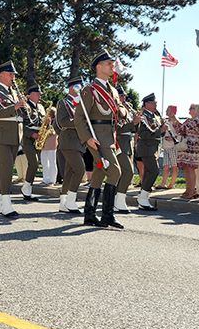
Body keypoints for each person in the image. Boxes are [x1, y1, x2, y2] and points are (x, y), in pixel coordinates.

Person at [74, 50, 127, 228]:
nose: (112, 66)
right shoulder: (89, 90)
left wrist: (123, 110)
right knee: (114, 171)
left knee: (99, 172)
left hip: (110, 135)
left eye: (112, 63)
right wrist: (87, 138)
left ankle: (89, 214)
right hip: (96, 136)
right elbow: (79, 117)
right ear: (98, 67)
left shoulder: (111, 89)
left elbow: (120, 109)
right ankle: (107, 215)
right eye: (109, 64)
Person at [0, 60, 27, 217]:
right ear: (1, 75)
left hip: (15, 135)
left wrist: (24, 107)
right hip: (0, 135)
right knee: (7, 168)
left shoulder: (14, 93)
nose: (13, 77)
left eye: (14, 74)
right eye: (10, 74)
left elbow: (19, 114)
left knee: (5, 169)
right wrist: (14, 107)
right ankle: (6, 203)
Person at [55, 76, 86, 213]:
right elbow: (62, 122)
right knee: (80, 169)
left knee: (69, 172)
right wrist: (79, 122)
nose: (80, 89)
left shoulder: (82, 104)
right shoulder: (63, 103)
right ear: (71, 87)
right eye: (78, 86)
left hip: (78, 142)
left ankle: (63, 202)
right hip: (68, 140)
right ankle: (71, 200)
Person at [135, 93, 166, 210]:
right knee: (154, 171)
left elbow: (156, 133)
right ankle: (143, 197)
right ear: (146, 104)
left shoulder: (153, 115)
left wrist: (162, 131)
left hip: (152, 148)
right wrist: (160, 131)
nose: (155, 104)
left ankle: (143, 198)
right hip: (146, 148)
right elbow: (143, 134)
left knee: (150, 172)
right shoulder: (143, 116)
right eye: (153, 103)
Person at [169, 104, 199, 199]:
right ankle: (188, 190)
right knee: (187, 169)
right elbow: (179, 129)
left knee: (190, 169)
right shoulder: (191, 120)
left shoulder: (198, 120)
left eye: (191, 108)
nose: (189, 110)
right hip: (186, 146)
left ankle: (191, 191)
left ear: (197, 110)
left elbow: (182, 129)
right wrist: (175, 121)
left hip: (192, 147)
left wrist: (175, 120)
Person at [114, 86, 141, 213]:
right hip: (118, 143)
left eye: (124, 95)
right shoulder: (114, 109)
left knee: (123, 173)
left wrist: (137, 122)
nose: (123, 97)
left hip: (127, 143)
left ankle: (117, 199)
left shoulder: (127, 108)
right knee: (128, 172)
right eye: (121, 95)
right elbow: (118, 128)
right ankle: (118, 200)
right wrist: (133, 123)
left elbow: (132, 128)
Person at [20, 82, 45, 201]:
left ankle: (27, 188)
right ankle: (26, 187)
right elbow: (21, 124)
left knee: (36, 164)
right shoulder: (25, 106)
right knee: (34, 163)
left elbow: (42, 122)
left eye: (39, 94)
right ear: (30, 95)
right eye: (36, 94)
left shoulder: (40, 107)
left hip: (38, 138)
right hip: (27, 138)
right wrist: (32, 133)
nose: (39, 96)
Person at [156, 105, 179, 190]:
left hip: (173, 147)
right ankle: (163, 183)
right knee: (165, 166)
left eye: (168, 110)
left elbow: (180, 135)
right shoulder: (166, 121)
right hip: (165, 147)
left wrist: (173, 138)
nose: (166, 111)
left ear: (173, 112)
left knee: (174, 166)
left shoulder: (177, 122)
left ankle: (172, 184)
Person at [40, 106, 58, 185]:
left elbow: (55, 131)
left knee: (52, 162)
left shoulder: (56, 121)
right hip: (44, 144)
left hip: (52, 143)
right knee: (44, 162)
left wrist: (50, 124)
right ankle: (45, 179)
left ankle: (52, 180)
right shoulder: (45, 121)